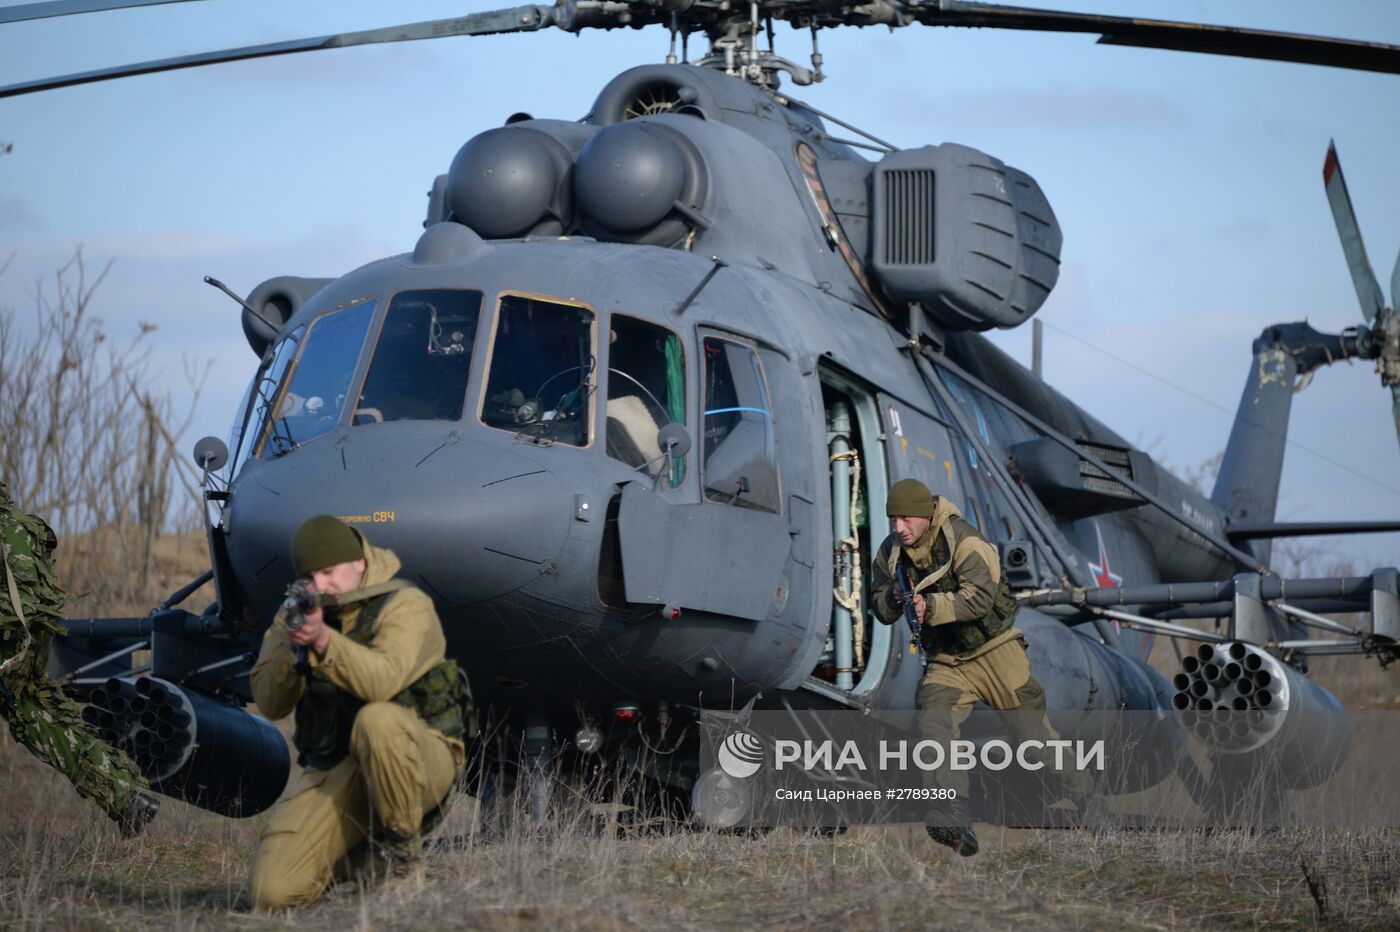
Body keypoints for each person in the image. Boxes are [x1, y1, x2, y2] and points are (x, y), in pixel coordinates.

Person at [248, 515, 467, 910]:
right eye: (310, 577)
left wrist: (324, 641)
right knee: (272, 894)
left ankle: (404, 863)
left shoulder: (405, 605)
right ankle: (362, 861)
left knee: (377, 719)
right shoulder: (297, 615)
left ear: (359, 564)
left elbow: (382, 681)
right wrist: (295, 649)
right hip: (340, 768)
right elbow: (270, 703)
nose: (321, 585)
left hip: (418, 760)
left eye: (329, 572)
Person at [871, 478, 1091, 857]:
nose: (898, 527)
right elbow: (877, 601)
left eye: (905, 518)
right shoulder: (891, 553)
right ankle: (955, 814)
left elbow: (979, 599)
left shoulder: (965, 542)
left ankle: (1088, 799)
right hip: (947, 661)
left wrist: (931, 608)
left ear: (925, 515)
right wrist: (893, 598)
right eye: (893, 519)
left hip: (995, 651)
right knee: (934, 724)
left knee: (1033, 735)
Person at [0, 478, 158, 836]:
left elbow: (25, 601)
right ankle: (125, 798)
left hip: (14, 647)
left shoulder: (8, 530)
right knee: (39, 720)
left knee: (36, 718)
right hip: (24, 646)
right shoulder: (15, 524)